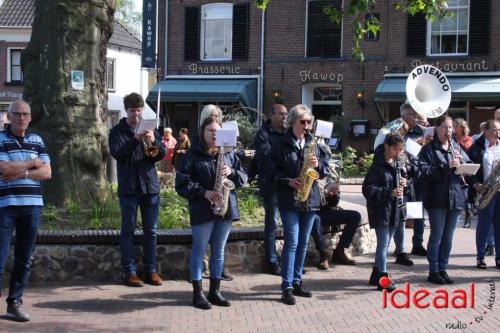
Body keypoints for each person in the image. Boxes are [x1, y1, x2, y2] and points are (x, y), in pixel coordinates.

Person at [175, 116, 247, 310]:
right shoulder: (193, 154)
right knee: (199, 250)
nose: (214, 134)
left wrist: (231, 171)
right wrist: (204, 192)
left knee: (218, 250)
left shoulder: (228, 154)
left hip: (225, 208)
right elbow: (181, 184)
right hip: (202, 208)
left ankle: (214, 292)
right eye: (210, 131)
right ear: (202, 132)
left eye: (217, 131)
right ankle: (197, 294)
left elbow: (243, 178)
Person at [271, 104, 330, 305]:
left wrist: (318, 165)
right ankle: (286, 286)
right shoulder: (280, 143)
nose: (306, 125)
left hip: (310, 199)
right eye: (302, 122)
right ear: (293, 122)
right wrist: (287, 181)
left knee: (303, 243)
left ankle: (297, 281)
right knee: (292, 242)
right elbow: (271, 173)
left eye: (309, 122)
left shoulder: (313, 143)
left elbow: (324, 171)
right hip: (289, 199)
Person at [0, 100, 51, 322]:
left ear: (30, 117)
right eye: (17, 114)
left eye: (25, 114)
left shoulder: (37, 140)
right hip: (6, 206)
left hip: (32, 206)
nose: (21, 118)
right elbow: (3, 169)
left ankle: (15, 303)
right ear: (9, 117)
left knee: (24, 258)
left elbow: (47, 173)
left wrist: (21, 172)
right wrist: (32, 163)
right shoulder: (0, 140)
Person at [109, 93, 165, 287]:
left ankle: (151, 270)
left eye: (139, 110)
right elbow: (118, 153)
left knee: (152, 231)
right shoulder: (117, 131)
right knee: (128, 230)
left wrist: (152, 141)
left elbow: (160, 155)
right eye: (133, 110)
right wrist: (135, 138)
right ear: (126, 110)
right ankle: (130, 271)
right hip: (129, 187)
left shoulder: (150, 127)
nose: (136, 114)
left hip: (149, 186)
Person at [419, 115, 470, 285]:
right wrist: (446, 167)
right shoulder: (428, 150)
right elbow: (424, 173)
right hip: (436, 198)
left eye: (450, 128)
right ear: (436, 129)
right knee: (437, 235)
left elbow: (468, 164)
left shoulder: (455, 147)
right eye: (445, 127)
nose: (449, 131)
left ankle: (443, 268)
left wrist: (463, 164)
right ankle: (433, 270)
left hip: (454, 197)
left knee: (448, 237)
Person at [363, 133, 406, 292]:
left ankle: (375, 274)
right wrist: (389, 192)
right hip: (381, 210)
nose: (398, 153)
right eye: (396, 149)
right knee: (382, 245)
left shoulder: (396, 164)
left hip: (394, 209)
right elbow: (368, 189)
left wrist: (403, 183)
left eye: (400, 150)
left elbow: (399, 184)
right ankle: (383, 277)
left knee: (386, 245)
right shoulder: (377, 166)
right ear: (387, 146)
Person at [253, 104, 287, 275]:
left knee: (288, 225)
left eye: (286, 114)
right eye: (281, 114)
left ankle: (287, 262)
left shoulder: (287, 133)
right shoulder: (262, 134)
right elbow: (266, 159)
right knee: (272, 224)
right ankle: (271, 261)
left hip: (288, 185)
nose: (284, 117)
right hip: (272, 185)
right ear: (271, 115)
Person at [311, 161, 360, 270]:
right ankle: (323, 255)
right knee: (315, 220)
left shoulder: (328, 177)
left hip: (326, 212)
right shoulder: (310, 176)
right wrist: (321, 196)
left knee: (355, 216)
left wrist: (332, 195)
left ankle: (340, 250)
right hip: (312, 213)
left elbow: (333, 204)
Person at [467, 119, 500, 269]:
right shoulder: (476, 148)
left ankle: (499, 257)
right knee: (484, 225)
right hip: (485, 191)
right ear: (485, 131)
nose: (498, 133)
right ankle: (480, 256)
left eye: (499, 130)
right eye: (494, 130)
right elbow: (468, 169)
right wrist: (475, 183)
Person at [400, 102, 428, 256]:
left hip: (416, 180)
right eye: (414, 115)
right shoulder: (399, 132)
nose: (417, 118)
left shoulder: (421, 132)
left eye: (418, 115)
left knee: (418, 214)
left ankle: (417, 244)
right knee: (401, 215)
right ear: (404, 116)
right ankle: (400, 248)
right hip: (402, 179)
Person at [453, 118, 473, 227]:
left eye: (456, 125)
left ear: (462, 127)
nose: (454, 127)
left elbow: (466, 147)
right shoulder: (452, 139)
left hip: (466, 170)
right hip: (455, 169)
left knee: (465, 195)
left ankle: (468, 216)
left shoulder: (468, 139)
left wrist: (455, 144)